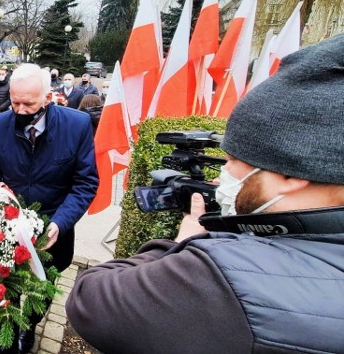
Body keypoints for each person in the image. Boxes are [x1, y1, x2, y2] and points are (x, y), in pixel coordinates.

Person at [65, 35, 344, 353]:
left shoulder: (221, 277)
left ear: (291, 173)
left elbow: (89, 297)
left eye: (233, 160)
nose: (223, 174)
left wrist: (185, 243)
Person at [0, 64, 98, 353]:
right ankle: (6, 338)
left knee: (41, 291)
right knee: (5, 289)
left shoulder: (77, 125)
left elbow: (85, 183)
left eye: (28, 103)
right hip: (7, 230)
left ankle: (29, 326)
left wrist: (60, 222)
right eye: (14, 101)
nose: (19, 110)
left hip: (54, 228)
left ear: (48, 97)